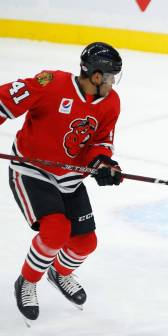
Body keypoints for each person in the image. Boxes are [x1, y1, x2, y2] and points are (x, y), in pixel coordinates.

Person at [0, 42, 123, 324]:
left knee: (85, 243)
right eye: (111, 76)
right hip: (32, 171)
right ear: (95, 76)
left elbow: (101, 142)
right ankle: (27, 281)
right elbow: (4, 100)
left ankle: (60, 272)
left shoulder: (111, 102)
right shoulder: (51, 83)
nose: (113, 82)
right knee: (55, 231)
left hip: (70, 178)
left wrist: (104, 165)